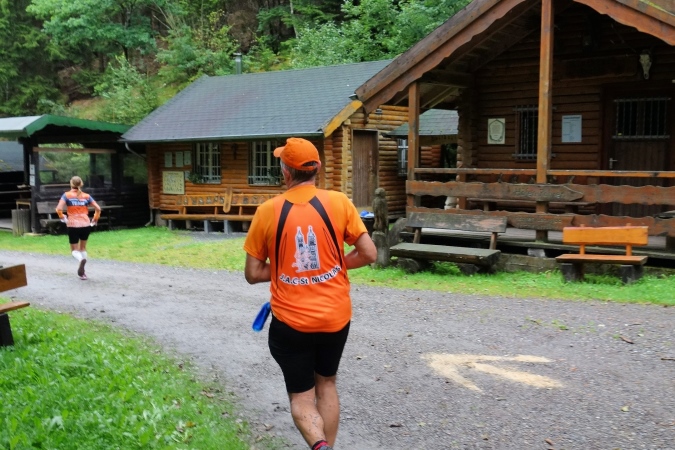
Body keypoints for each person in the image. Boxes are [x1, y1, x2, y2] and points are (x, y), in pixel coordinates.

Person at [243, 137, 377, 450]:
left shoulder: (267, 211)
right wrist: (331, 265)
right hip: (335, 319)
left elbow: (253, 274)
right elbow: (369, 253)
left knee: (302, 399)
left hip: (291, 323)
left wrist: (288, 269)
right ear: (317, 169)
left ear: (286, 172)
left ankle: (319, 445)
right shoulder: (339, 202)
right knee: (326, 384)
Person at [55, 176, 102, 280]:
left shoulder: (66, 195)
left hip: (73, 224)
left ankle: (81, 260)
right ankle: (83, 273)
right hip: (85, 224)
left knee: (74, 250)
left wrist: (63, 218)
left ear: (71, 183)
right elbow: (98, 208)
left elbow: (58, 209)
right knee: (83, 248)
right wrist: (95, 219)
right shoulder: (86, 196)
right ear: (81, 184)